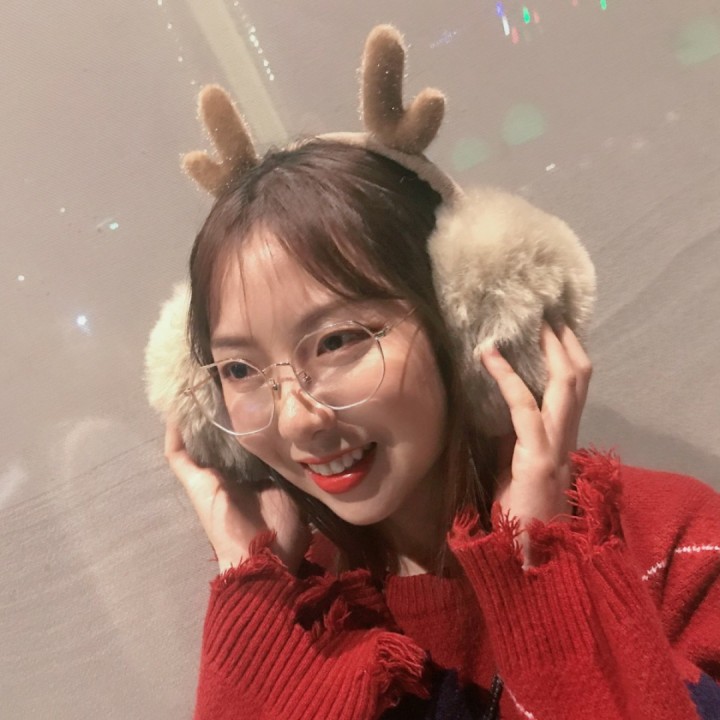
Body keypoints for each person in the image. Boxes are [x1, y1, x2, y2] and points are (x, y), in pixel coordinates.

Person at [151, 26, 720, 720]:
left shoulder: (673, 545)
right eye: (240, 368)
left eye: (337, 341)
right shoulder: (307, 611)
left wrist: (541, 570)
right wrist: (254, 587)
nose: (297, 419)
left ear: (470, 325)